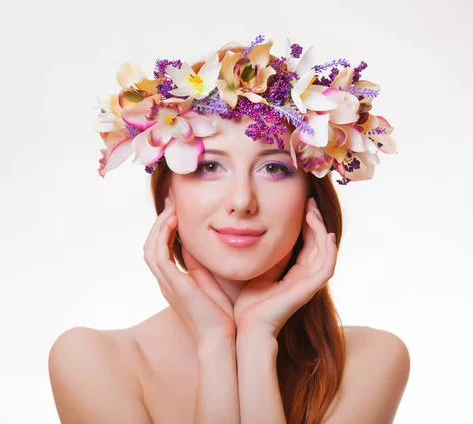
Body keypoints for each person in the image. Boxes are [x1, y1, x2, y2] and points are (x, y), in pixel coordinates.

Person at [48, 36, 410, 424]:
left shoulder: (372, 358)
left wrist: (256, 341)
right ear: (169, 191)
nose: (241, 201)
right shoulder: (91, 360)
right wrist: (214, 343)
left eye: (274, 168)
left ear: (312, 196)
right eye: (209, 167)